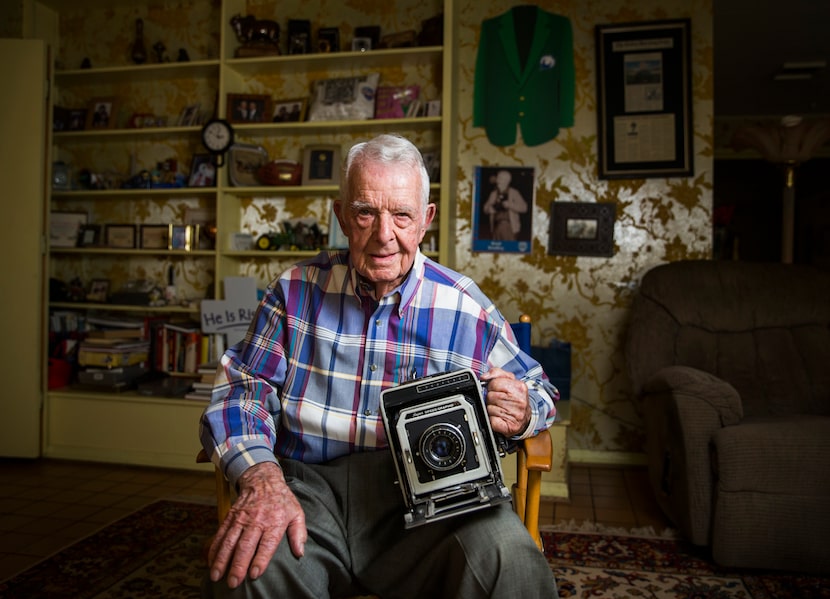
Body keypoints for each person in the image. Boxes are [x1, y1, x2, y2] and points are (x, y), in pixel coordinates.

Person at [199, 133, 559, 598]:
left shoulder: (465, 305)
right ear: (342, 216)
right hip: (308, 494)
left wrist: (525, 409)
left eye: (402, 215)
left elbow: (539, 389)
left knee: (509, 560)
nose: (384, 235)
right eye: (366, 212)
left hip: (434, 501)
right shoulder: (292, 291)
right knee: (249, 571)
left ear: (425, 220)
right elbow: (239, 392)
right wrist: (262, 478)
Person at [482, 169, 528, 241]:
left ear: (507, 181)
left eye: (500, 179)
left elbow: (524, 208)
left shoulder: (514, 192)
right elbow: (485, 208)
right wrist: (488, 209)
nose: (498, 181)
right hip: (495, 228)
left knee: (509, 250)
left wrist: (510, 205)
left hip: (509, 228)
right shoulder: (493, 194)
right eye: (498, 178)